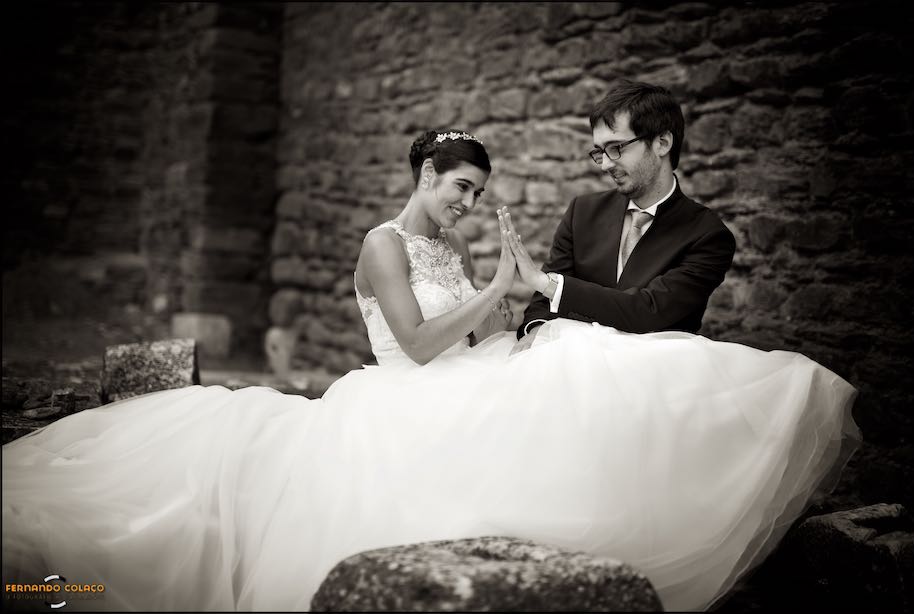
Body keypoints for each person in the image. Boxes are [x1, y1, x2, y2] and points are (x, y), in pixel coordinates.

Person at [2, 127, 858, 612]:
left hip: (460, 380)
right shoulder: (381, 243)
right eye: (459, 188)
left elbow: (475, 336)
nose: (467, 205)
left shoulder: (450, 246)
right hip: (400, 392)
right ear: (425, 175)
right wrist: (493, 290)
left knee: (571, 369)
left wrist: (513, 315)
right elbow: (414, 343)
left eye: (477, 194)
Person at [512, 78, 736, 354]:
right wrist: (536, 331)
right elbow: (543, 304)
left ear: (662, 143)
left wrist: (546, 283)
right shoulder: (582, 212)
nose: (605, 164)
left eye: (616, 147)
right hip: (571, 361)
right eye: (599, 151)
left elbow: (647, 311)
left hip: (655, 368)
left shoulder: (708, 235)